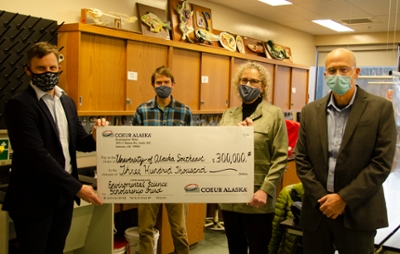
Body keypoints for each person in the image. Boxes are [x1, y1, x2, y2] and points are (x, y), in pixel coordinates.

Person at [2, 41, 108, 254]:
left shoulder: (66, 101)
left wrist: (96, 136)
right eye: (41, 68)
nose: (48, 73)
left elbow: (79, 141)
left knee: (56, 249)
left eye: (52, 68)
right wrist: (77, 187)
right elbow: (38, 155)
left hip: (63, 197)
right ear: (28, 70)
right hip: (34, 201)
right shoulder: (19, 105)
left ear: (59, 69)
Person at [295, 48, 397, 254]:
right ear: (325, 75)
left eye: (344, 69)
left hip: (358, 212)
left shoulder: (380, 109)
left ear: (356, 72)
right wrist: (323, 199)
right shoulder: (310, 112)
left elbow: (381, 163)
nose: (338, 75)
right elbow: (302, 159)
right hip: (318, 211)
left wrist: (343, 199)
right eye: (332, 71)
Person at [218, 61, 289, 253]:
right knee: (235, 248)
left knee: (259, 248)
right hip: (229, 197)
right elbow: (217, 150)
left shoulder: (274, 115)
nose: (247, 85)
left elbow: (280, 157)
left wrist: (265, 190)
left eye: (254, 81)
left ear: (263, 86)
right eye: (244, 80)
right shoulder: (228, 115)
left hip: (257, 197)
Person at [132, 65, 191, 254]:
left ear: (173, 84)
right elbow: (132, 143)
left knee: (179, 230)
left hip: (177, 178)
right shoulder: (142, 111)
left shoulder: (185, 111)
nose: (163, 85)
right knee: (145, 229)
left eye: (166, 82)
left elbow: (193, 144)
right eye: (159, 82)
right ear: (152, 85)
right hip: (149, 178)